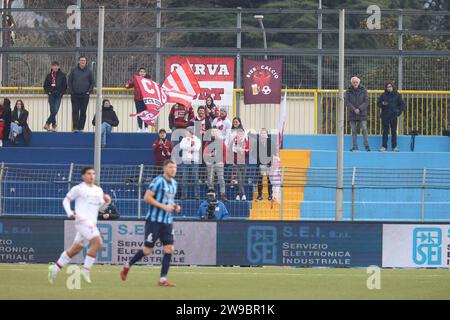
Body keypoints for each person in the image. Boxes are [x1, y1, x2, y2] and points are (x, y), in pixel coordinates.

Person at [120, 160, 181, 287]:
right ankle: (127, 265)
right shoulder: (158, 181)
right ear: (164, 169)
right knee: (147, 250)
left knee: (169, 248)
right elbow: (147, 197)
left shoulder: (175, 183)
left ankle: (162, 280)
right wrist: (164, 207)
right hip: (154, 221)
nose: (173, 170)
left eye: (175, 167)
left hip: (167, 222)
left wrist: (175, 206)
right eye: (170, 167)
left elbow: (169, 201)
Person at [48, 167, 112, 284]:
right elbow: (66, 201)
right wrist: (69, 212)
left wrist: (107, 202)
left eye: (93, 174)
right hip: (82, 221)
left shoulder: (99, 190)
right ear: (83, 176)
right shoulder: (78, 189)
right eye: (88, 174)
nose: (91, 176)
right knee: (98, 243)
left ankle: (55, 268)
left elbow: (100, 208)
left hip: (91, 223)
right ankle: (86, 270)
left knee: (74, 250)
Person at [68, 56, 95, 132]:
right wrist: (71, 91)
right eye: (81, 60)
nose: (83, 61)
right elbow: (69, 81)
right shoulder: (73, 70)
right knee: (75, 111)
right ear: (79, 61)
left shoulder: (89, 71)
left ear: (86, 62)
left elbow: (92, 82)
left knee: (83, 111)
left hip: (85, 95)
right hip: (75, 95)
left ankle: (81, 128)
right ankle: (75, 127)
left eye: (84, 60)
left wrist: (88, 92)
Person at [378, 82, 405, 152]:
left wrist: (398, 113)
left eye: (390, 86)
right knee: (385, 131)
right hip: (385, 115)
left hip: (393, 116)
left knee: (394, 131)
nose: (389, 88)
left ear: (392, 87)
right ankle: (384, 146)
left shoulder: (397, 95)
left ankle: (394, 147)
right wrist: (383, 103)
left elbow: (402, 105)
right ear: (386, 88)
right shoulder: (383, 95)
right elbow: (378, 104)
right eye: (387, 87)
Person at [346, 76, 370, 152]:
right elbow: (347, 102)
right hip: (352, 114)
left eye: (356, 82)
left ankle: (367, 146)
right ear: (351, 83)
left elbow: (366, 101)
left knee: (364, 129)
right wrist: (354, 109)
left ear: (359, 82)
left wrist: (359, 109)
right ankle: (355, 147)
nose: (355, 83)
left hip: (362, 114)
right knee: (353, 131)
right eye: (354, 82)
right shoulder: (348, 91)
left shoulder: (364, 90)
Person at [204, 127, 228, 201]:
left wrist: (223, 162)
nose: (213, 133)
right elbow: (204, 153)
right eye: (212, 131)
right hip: (210, 163)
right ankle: (211, 194)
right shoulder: (207, 142)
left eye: (215, 131)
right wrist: (209, 155)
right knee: (210, 179)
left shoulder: (221, 142)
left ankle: (223, 194)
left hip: (219, 163)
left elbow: (224, 152)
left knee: (221, 179)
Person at [228, 118, 249, 201]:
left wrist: (242, 150)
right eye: (239, 133)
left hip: (244, 162)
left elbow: (248, 151)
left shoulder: (245, 141)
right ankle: (243, 195)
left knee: (242, 180)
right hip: (236, 162)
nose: (240, 134)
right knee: (238, 178)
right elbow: (232, 151)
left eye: (241, 133)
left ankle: (238, 194)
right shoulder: (234, 141)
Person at [43, 61, 67, 132]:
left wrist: (61, 93)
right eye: (54, 66)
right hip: (51, 96)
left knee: (55, 110)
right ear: (51, 67)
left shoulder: (62, 75)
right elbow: (45, 86)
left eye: (57, 66)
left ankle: (47, 123)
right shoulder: (48, 75)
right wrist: (48, 92)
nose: (55, 67)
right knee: (52, 110)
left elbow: (65, 86)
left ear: (59, 67)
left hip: (58, 95)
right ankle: (53, 125)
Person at [179, 127, 201, 200]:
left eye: (187, 131)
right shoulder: (184, 139)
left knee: (196, 178)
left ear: (190, 132)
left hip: (194, 161)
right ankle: (184, 195)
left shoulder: (197, 139)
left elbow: (197, 148)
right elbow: (181, 146)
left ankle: (197, 195)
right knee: (184, 178)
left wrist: (188, 147)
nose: (186, 133)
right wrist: (190, 145)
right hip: (185, 160)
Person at [126, 67, 149, 133]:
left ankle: (146, 127)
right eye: (141, 71)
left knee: (146, 113)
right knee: (139, 113)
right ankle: (140, 128)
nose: (142, 73)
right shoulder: (136, 79)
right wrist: (127, 85)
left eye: (144, 72)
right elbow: (130, 85)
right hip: (138, 99)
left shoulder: (147, 80)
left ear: (145, 73)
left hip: (145, 99)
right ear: (139, 73)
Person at [256, 128, 273, 201]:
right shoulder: (257, 142)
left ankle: (270, 195)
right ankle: (260, 195)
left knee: (270, 180)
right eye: (261, 133)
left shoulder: (270, 142)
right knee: (260, 180)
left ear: (267, 134)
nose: (263, 134)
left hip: (268, 164)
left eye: (264, 133)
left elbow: (273, 153)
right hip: (260, 164)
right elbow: (255, 153)